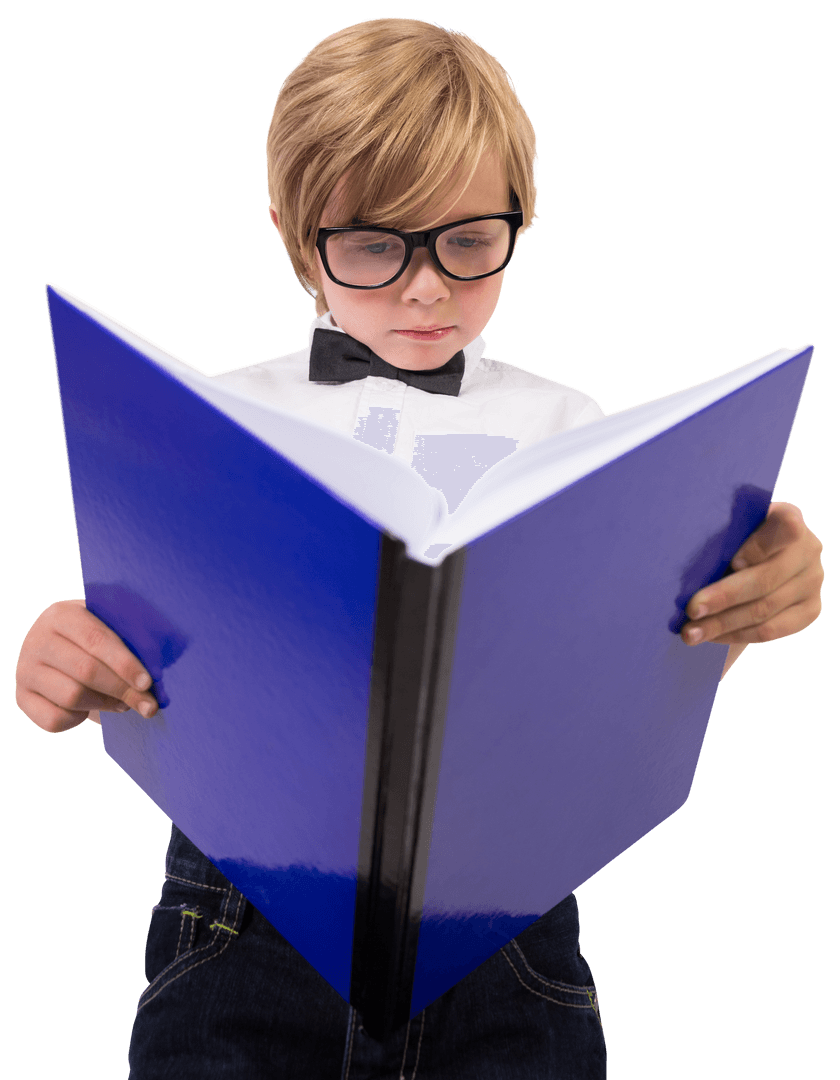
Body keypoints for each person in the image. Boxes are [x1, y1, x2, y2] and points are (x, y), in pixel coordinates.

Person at [14, 17, 824, 1080]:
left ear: (522, 222)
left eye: (471, 239)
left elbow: (639, 681)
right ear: (294, 235)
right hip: (239, 921)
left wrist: (753, 597)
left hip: (508, 933)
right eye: (371, 245)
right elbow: (125, 655)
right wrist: (55, 661)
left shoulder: (572, 422)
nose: (428, 287)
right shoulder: (210, 418)